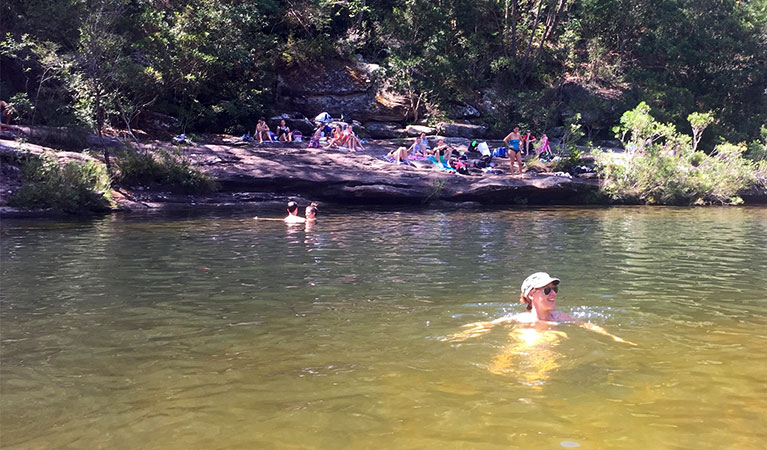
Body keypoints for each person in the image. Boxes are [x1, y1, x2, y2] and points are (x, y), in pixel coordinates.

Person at [445, 272, 636, 345]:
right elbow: (487, 324)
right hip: (520, 346)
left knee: (550, 340)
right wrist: (464, 334)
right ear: (531, 295)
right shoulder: (521, 319)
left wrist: (614, 338)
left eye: (554, 289)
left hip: (546, 347)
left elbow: (589, 326)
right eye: (546, 290)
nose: (553, 294)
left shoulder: (561, 317)